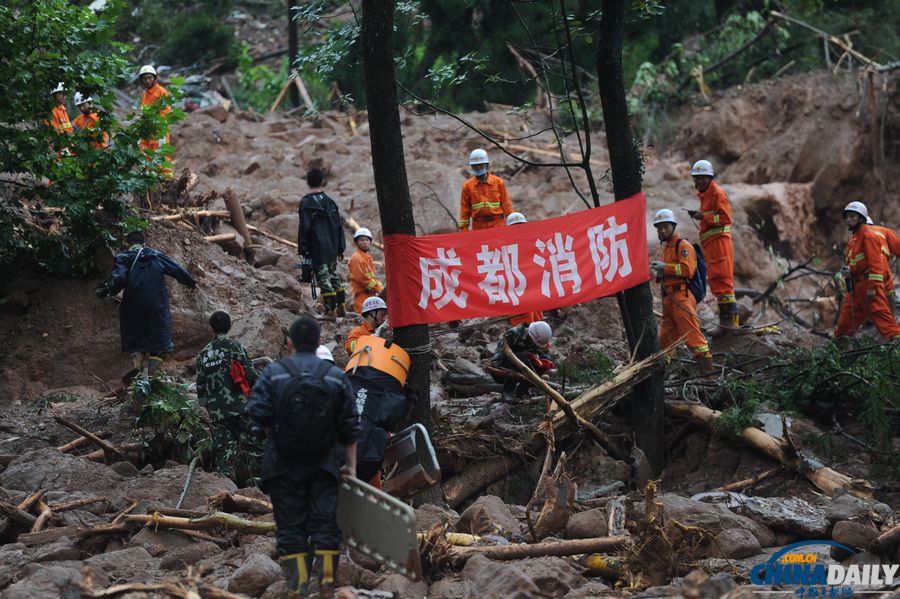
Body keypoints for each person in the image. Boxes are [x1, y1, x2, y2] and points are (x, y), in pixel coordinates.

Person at [248, 316, 358, 599]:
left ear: (289, 342)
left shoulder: (274, 373)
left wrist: (275, 432)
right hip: (325, 465)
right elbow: (349, 426)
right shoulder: (335, 376)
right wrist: (351, 466)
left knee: (291, 529)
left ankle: (297, 588)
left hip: (282, 466)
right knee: (326, 526)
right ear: (320, 342)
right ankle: (326, 586)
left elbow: (256, 414)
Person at [95, 230, 196, 376]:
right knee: (159, 339)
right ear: (144, 243)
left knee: (135, 336)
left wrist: (106, 290)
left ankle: (138, 365)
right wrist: (190, 282)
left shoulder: (123, 257)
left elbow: (119, 279)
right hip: (157, 306)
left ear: (128, 244)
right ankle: (153, 371)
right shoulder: (155, 255)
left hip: (133, 306)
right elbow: (176, 268)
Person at [196, 310, 262, 485]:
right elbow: (249, 373)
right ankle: (260, 484)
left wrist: (205, 406)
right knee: (256, 445)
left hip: (217, 412)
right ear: (230, 325)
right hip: (239, 407)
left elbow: (200, 384)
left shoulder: (203, 353)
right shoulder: (234, 346)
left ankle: (223, 488)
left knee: (224, 451)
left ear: (212, 328)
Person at [650, 209, 714, 377]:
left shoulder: (683, 246)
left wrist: (666, 268)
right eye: (659, 228)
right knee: (665, 340)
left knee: (693, 336)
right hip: (669, 299)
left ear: (673, 226)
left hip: (682, 297)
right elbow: (670, 273)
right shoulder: (667, 249)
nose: (662, 230)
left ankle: (709, 378)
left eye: (665, 227)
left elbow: (687, 270)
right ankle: (660, 378)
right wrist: (660, 274)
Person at [834, 202, 900, 341]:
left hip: (870, 285)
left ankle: (896, 346)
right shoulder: (854, 241)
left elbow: (876, 265)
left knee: (883, 318)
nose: (848, 220)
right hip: (858, 288)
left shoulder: (869, 236)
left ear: (861, 218)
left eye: (852, 216)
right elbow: (858, 264)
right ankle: (836, 349)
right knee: (845, 324)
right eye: (847, 217)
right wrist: (849, 271)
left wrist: (872, 287)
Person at [687, 159, 737, 334]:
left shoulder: (717, 193)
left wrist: (703, 217)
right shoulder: (706, 194)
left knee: (723, 281)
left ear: (710, 178)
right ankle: (725, 322)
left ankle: (728, 323)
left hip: (720, 243)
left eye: (703, 178)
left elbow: (725, 219)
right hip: (712, 244)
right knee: (716, 281)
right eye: (697, 178)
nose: (699, 181)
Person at [298, 168, 347, 318]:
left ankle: (330, 311)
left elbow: (304, 227)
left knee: (323, 278)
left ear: (307, 182)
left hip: (317, 248)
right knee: (333, 275)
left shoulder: (306, 203)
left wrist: (303, 249)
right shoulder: (330, 202)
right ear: (322, 181)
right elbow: (338, 226)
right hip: (332, 247)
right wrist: (340, 248)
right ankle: (341, 307)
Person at [490, 321, 555, 402]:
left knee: (546, 361)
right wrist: (524, 355)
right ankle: (507, 392)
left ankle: (522, 390)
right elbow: (501, 355)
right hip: (501, 369)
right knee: (521, 358)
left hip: (523, 365)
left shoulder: (532, 337)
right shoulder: (513, 334)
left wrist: (540, 360)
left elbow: (534, 353)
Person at [458, 148, 513, 231]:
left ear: (486, 165)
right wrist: (464, 228)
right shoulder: (468, 186)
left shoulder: (498, 183)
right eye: (475, 166)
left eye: (481, 165)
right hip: (479, 225)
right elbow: (464, 209)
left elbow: (507, 205)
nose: (478, 168)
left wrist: (513, 223)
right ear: (472, 167)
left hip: (498, 223)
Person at [505, 211, 544, 326]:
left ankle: (540, 343)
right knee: (523, 325)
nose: (518, 230)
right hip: (517, 293)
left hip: (533, 290)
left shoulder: (531, 243)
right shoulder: (505, 247)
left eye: (521, 227)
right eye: (515, 227)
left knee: (538, 319)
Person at [138, 65, 173, 178]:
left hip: (159, 131)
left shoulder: (162, 92)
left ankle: (168, 182)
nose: (147, 81)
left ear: (154, 78)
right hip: (148, 132)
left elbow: (166, 112)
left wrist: (155, 121)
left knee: (162, 156)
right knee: (146, 155)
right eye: (145, 78)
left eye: (149, 78)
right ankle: (150, 180)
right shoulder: (145, 95)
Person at [347, 227, 384, 314]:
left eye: (367, 240)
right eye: (362, 240)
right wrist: (379, 288)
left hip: (370, 295)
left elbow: (372, 277)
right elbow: (362, 279)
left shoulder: (367, 257)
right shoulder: (356, 258)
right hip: (362, 297)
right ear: (356, 242)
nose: (365, 242)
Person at [868, 217, 900, 314]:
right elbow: (898, 248)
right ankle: (892, 317)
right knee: (889, 290)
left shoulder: (855, 238)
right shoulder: (883, 230)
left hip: (866, 270)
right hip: (882, 265)